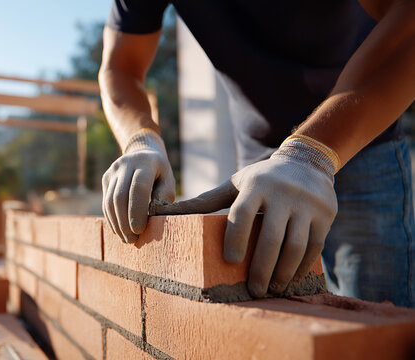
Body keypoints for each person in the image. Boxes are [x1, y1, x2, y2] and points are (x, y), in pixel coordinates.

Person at [99, 0, 415, 307]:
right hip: (259, 167)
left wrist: (311, 155)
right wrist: (140, 140)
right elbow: (120, 67)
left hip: (364, 137)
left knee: (378, 315)